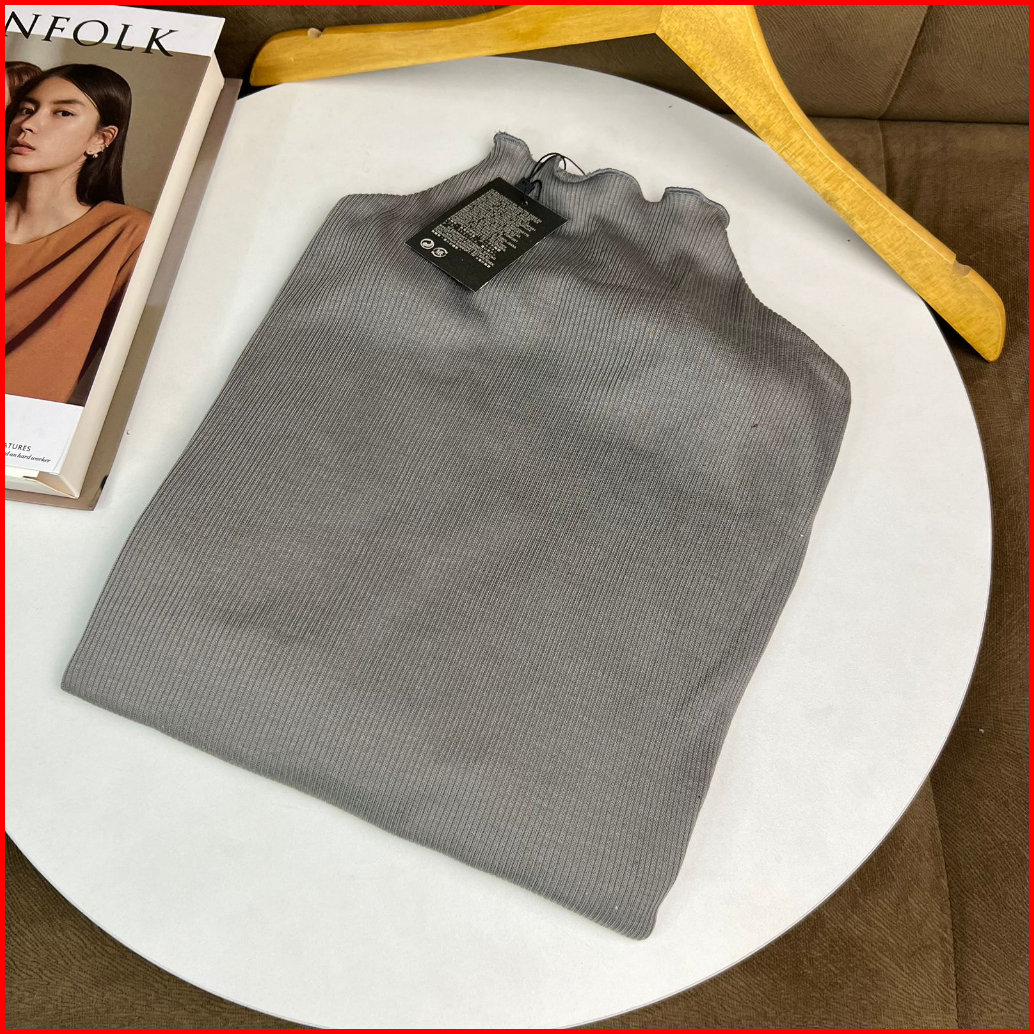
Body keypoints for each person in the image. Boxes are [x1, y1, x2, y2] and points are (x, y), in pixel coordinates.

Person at [5, 63, 152, 405]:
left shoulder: (125, 234)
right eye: (26, 109)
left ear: (101, 139)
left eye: (63, 113)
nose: (28, 124)